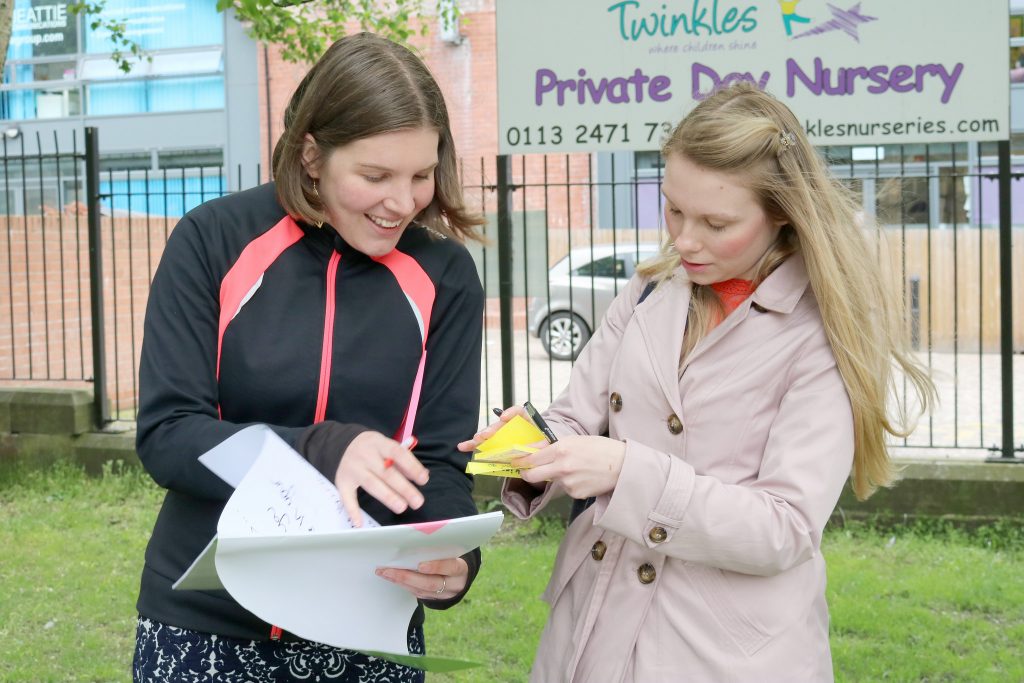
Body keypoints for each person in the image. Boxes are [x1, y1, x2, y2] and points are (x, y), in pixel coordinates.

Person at [460, 82, 935, 682]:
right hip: (592, 626)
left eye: (716, 222)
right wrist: (531, 447)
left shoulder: (824, 331)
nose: (684, 239)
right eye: (673, 209)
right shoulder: (651, 288)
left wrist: (623, 471)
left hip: (717, 653)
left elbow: (783, 528)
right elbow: (577, 415)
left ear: (783, 212)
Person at [133, 32, 485, 683]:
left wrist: (455, 558)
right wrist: (322, 448)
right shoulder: (211, 241)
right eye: (375, 176)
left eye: (421, 174)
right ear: (312, 153)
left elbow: (440, 462)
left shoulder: (448, 276)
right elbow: (168, 434)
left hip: (368, 629)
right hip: (206, 627)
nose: (403, 202)